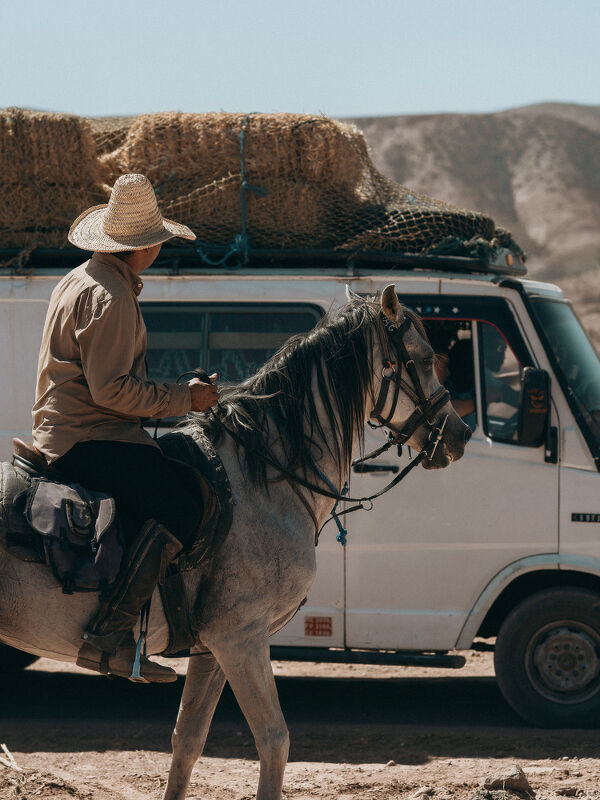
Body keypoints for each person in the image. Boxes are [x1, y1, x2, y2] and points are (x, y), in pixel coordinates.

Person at [32, 174, 219, 683]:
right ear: (147, 246)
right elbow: (111, 392)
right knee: (182, 506)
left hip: (69, 431)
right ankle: (111, 638)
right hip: (89, 438)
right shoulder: (112, 297)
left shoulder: (79, 278)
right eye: (158, 239)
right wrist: (187, 399)